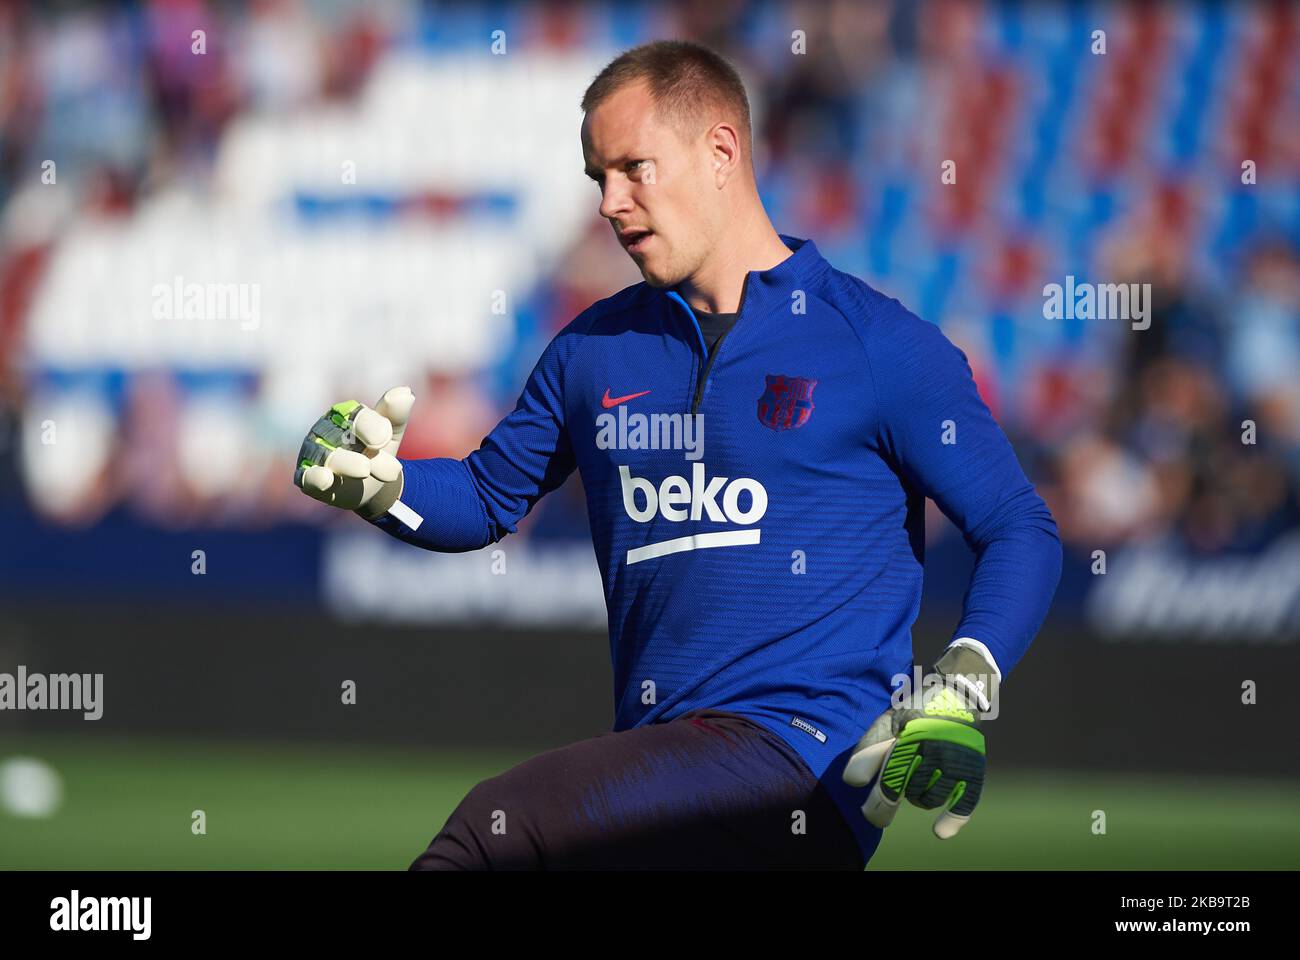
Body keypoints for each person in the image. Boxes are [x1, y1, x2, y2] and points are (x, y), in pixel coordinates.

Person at [294, 40, 1061, 870]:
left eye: (634, 168)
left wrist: (961, 681)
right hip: (663, 776)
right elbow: (484, 498)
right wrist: (387, 488)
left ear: (721, 150)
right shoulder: (593, 349)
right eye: (599, 179)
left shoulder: (879, 345)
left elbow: (1020, 527)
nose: (611, 204)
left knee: (498, 829)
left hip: (804, 769)